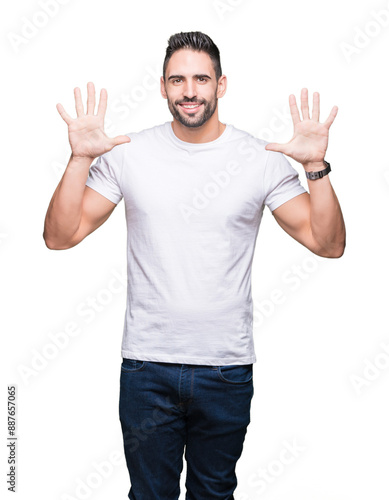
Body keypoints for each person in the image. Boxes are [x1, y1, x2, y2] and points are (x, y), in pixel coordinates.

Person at [43, 31, 345, 500]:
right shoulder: (127, 152)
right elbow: (60, 237)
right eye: (177, 80)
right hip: (147, 368)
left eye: (201, 79)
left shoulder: (261, 159)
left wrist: (316, 168)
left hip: (225, 369)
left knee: (214, 493)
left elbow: (328, 245)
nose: (189, 91)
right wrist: (80, 158)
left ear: (221, 85)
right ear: (162, 87)